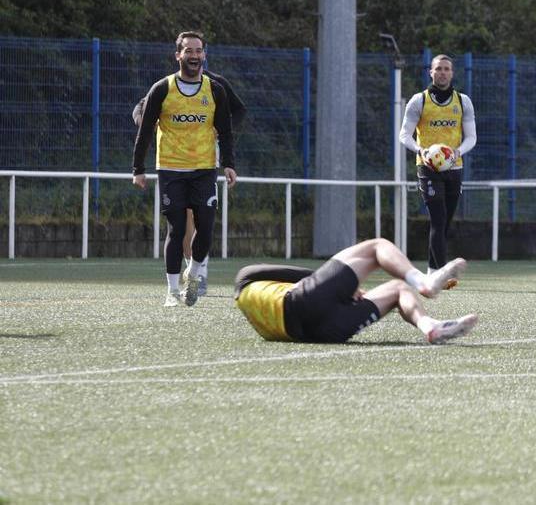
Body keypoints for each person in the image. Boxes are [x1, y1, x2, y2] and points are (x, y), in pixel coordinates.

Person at [132, 31, 238, 307]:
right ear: (178, 55)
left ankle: (194, 270)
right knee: (176, 229)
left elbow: (226, 130)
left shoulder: (215, 90)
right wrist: (138, 168)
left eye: (198, 51)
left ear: (204, 55)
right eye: (188, 51)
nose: (194, 55)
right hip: (171, 168)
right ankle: (172, 291)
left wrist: (229, 164)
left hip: (204, 168)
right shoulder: (162, 89)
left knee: (207, 228)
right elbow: (145, 130)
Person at [234, 238, 476, 344]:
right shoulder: (244, 278)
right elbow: (256, 271)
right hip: (304, 306)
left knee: (399, 289)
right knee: (377, 246)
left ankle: (430, 327)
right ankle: (424, 282)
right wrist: (323, 278)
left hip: (318, 334)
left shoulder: (256, 310)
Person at [398, 54, 477, 271]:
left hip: (454, 166)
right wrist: (421, 150)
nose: (442, 72)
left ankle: (432, 272)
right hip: (428, 168)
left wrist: (457, 152)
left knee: (445, 223)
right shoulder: (419, 101)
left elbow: (471, 137)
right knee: (438, 220)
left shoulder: (463, 101)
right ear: (430, 72)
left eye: (446, 69)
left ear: (452, 73)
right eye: (438, 68)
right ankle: (442, 272)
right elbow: (404, 135)